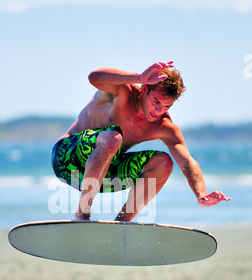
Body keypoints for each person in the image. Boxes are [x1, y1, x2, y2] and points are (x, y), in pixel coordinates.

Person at [52, 61, 230, 221]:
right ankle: (82, 215)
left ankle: (122, 222)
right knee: (113, 137)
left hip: (103, 178)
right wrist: (139, 77)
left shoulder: (164, 126)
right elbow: (94, 77)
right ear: (145, 89)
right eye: (156, 102)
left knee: (164, 162)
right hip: (66, 161)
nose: (158, 111)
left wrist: (201, 194)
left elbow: (187, 162)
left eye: (166, 106)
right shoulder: (122, 92)